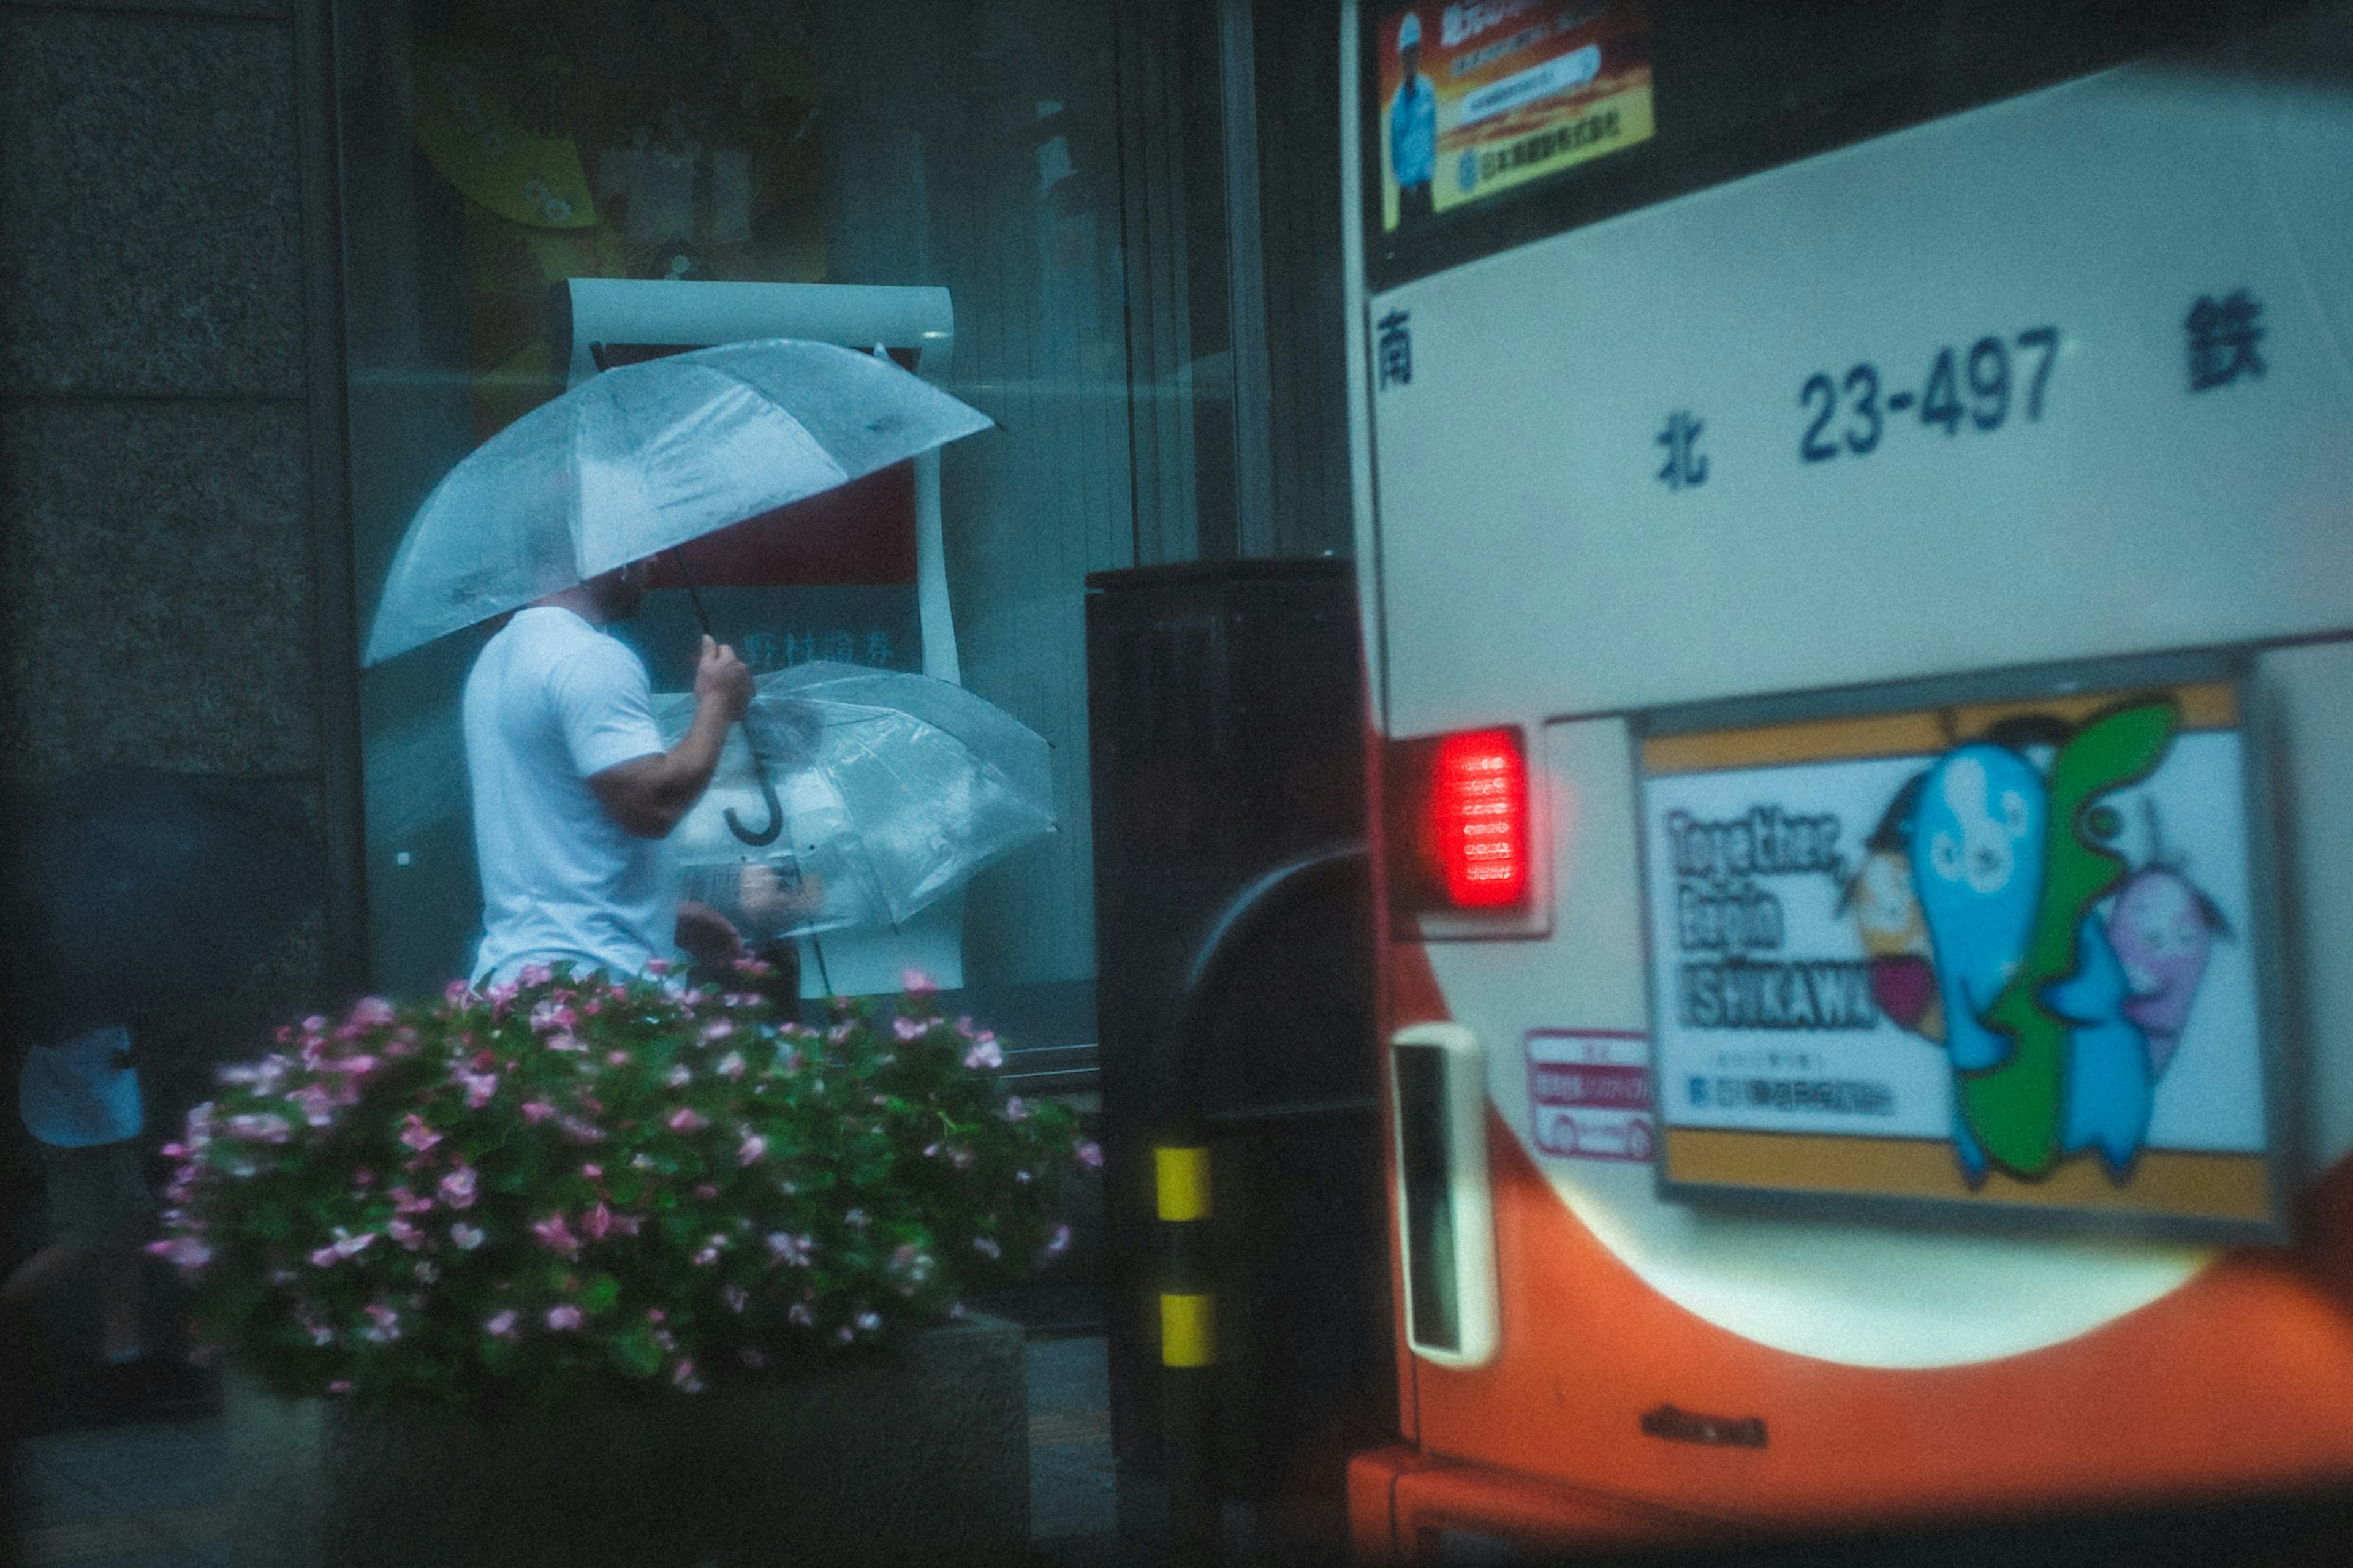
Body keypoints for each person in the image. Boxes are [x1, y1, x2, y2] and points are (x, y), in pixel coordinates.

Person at [464, 556, 755, 986]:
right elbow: (654, 802)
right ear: (592, 548)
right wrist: (717, 702)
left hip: (515, 982)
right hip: (593, 985)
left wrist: (661, 915)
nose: (652, 558)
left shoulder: (496, 658)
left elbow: (556, 846)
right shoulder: (589, 656)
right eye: (634, 546)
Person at [4, 1023, 151, 1372]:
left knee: (129, 1229)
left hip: (111, 1111)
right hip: (74, 1121)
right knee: (85, 1239)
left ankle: (123, 1351)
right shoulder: (62, 993)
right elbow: (50, 1033)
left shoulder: (99, 985)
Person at [1390, 11, 1438, 222]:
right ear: (1401, 56)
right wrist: (1407, 184)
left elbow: (1433, 135)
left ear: (1418, 54)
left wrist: (1426, 176)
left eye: (1414, 52)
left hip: (1425, 188)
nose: (1410, 58)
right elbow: (1394, 153)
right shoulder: (1395, 104)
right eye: (1406, 53)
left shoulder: (1429, 90)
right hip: (1406, 195)